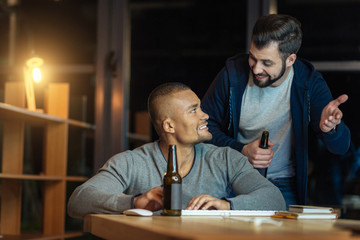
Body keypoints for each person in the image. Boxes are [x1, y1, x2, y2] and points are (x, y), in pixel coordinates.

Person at [67, 82, 285, 218]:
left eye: (200, 107)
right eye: (193, 110)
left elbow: (274, 199)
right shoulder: (131, 162)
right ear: (169, 126)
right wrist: (134, 202)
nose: (205, 115)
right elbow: (79, 200)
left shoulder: (225, 158)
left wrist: (226, 205)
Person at [201, 14, 351, 207]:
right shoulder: (232, 74)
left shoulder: (308, 83)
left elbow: (341, 147)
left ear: (290, 59)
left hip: (283, 185)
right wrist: (242, 150)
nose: (256, 69)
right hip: (231, 182)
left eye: (267, 63)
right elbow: (203, 128)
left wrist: (330, 129)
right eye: (253, 58)